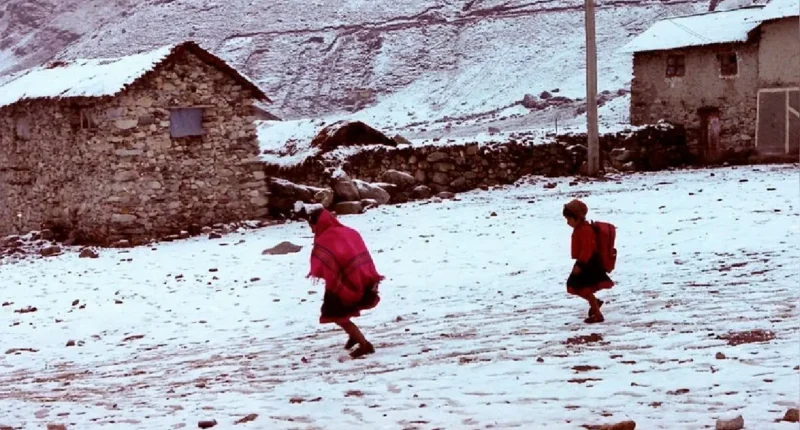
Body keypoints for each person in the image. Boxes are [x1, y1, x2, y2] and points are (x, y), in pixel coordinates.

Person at [307, 209, 383, 358]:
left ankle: (364, 344)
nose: (312, 231)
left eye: (312, 227)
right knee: (345, 311)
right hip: (362, 277)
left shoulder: (326, 238)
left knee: (336, 315)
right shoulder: (349, 232)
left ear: (319, 223)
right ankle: (353, 336)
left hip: (343, 282)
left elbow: (321, 260)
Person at [563, 199, 614, 324]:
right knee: (576, 287)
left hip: (588, 263)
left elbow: (587, 249)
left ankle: (597, 313)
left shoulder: (585, 230)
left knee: (580, 288)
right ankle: (595, 304)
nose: (567, 222)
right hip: (584, 262)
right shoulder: (580, 228)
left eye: (569, 219)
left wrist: (580, 265)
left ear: (578, 218)